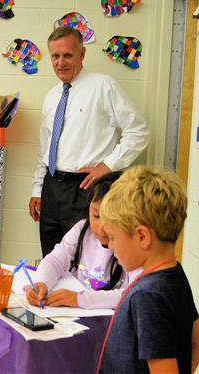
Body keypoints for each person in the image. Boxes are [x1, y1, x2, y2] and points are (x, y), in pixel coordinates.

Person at [29, 26, 149, 257]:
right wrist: (37, 189)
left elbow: (139, 130)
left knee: (84, 257)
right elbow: (45, 148)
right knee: (51, 256)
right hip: (52, 188)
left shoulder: (103, 86)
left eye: (68, 55)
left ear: (82, 54)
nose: (61, 62)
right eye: (55, 56)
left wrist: (108, 166)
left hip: (85, 189)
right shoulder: (52, 96)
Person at [98, 167, 199, 373]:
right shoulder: (175, 274)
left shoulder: (146, 297)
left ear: (142, 237)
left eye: (113, 237)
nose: (110, 246)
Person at [25, 171, 141, 309]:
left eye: (111, 218)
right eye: (96, 215)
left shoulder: (133, 247)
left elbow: (133, 294)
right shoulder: (82, 230)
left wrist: (79, 299)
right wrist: (41, 282)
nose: (102, 227)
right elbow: (56, 259)